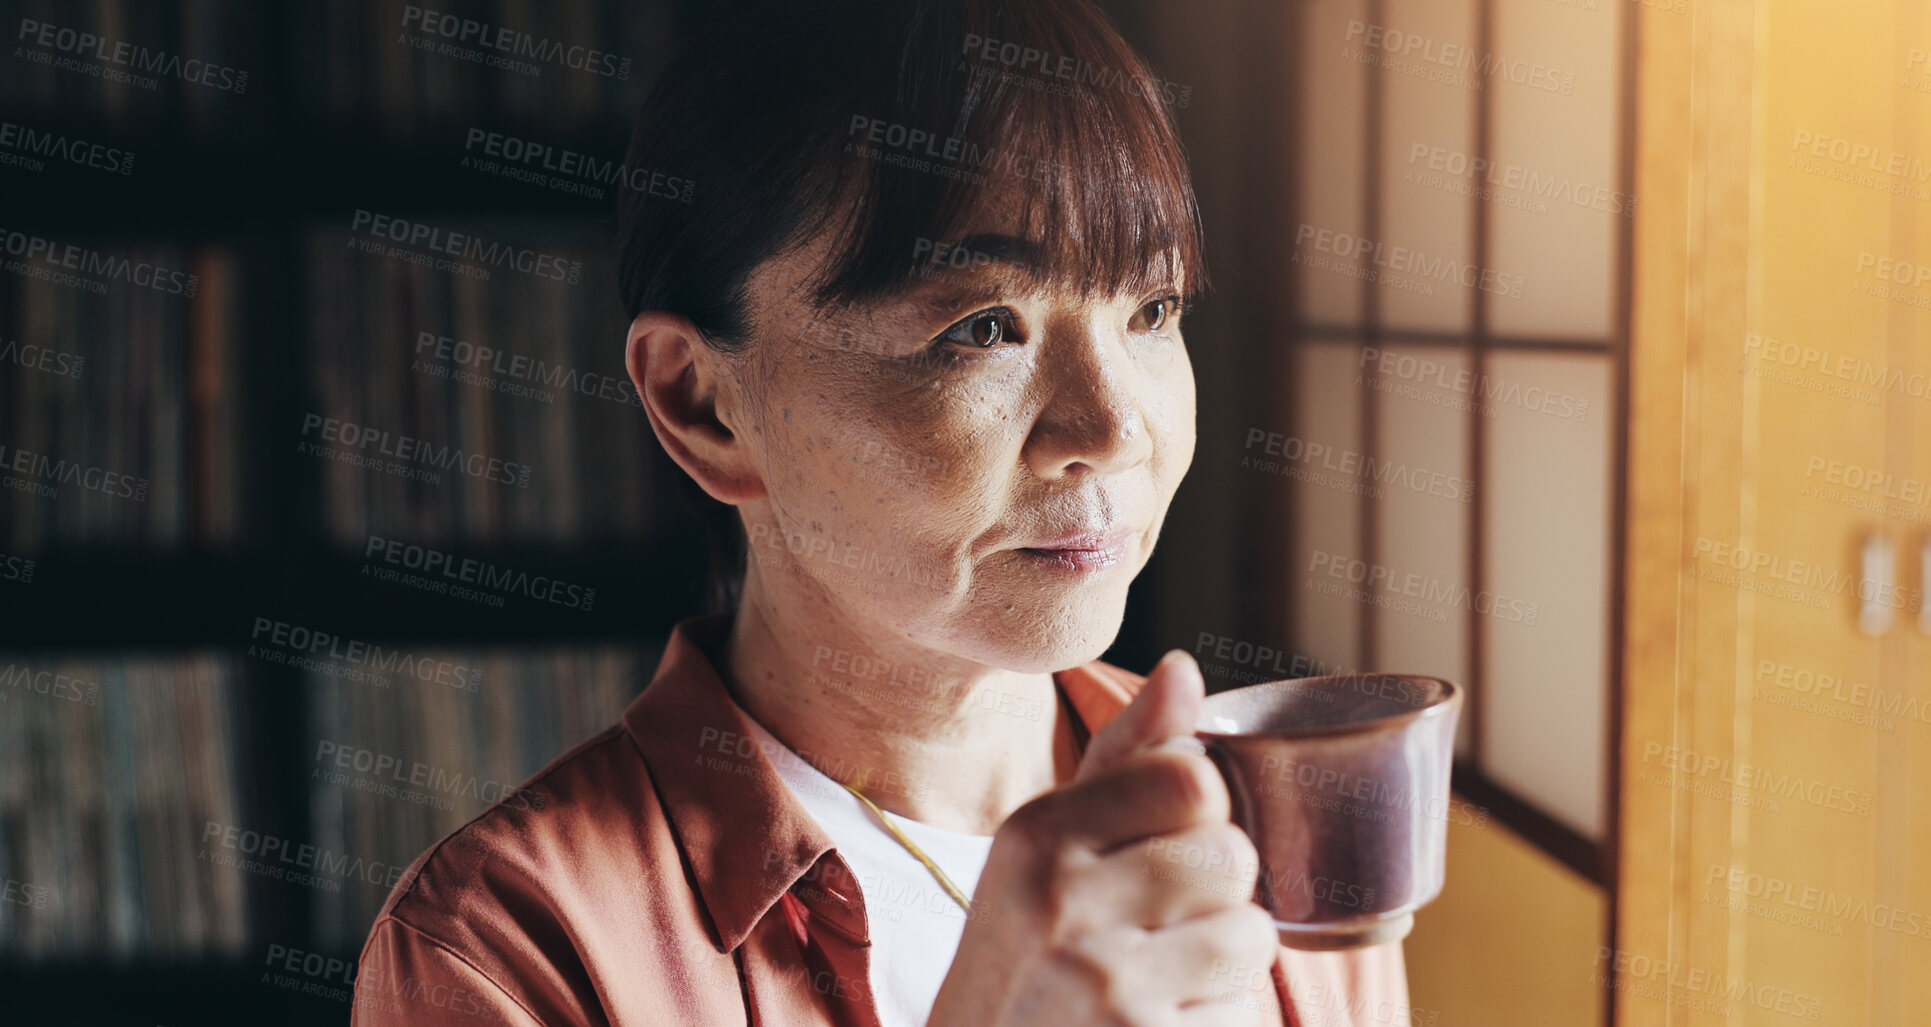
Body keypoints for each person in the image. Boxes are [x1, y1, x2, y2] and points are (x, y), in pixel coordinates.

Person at [352, 1, 1409, 1023]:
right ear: (703, 403)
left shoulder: (1271, 808)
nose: (1112, 425)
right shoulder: (506, 951)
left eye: (1152, 308)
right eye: (986, 326)